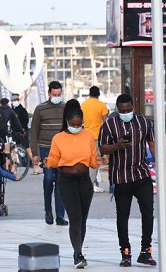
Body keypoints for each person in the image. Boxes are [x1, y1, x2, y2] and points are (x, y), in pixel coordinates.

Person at [99, 94, 157, 267]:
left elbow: (152, 143)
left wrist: (160, 164)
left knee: (148, 212)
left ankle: (145, 251)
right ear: (117, 109)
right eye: (122, 110)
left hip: (142, 175)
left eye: (128, 110)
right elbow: (102, 148)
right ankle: (125, 252)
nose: (126, 112)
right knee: (122, 216)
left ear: (133, 107)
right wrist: (116, 146)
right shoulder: (109, 124)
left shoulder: (144, 123)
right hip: (121, 177)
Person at [45, 99, 98, 269]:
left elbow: (92, 160)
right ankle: (78, 254)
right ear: (67, 122)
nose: (76, 126)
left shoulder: (88, 135)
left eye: (79, 124)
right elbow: (53, 159)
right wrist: (46, 162)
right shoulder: (58, 138)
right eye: (73, 124)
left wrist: (101, 161)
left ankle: (79, 250)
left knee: (82, 219)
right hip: (66, 181)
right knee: (75, 218)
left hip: (84, 181)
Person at [30, 80, 68, 226]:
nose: (56, 96)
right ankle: (48, 211)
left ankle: (60, 216)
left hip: (63, 152)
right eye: (54, 94)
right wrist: (34, 152)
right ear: (49, 93)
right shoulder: (40, 109)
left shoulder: (66, 108)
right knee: (48, 179)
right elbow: (34, 132)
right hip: (46, 150)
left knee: (61, 183)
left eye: (59, 94)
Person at [80, 85, 109, 193]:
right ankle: (90, 184)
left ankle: (89, 182)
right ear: (99, 94)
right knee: (95, 160)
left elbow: (81, 121)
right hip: (97, 136)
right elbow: (106, 122)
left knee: (87, 160)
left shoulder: (83, 105)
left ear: (89, 94)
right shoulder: (101, 105)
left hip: (85, 136)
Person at [10, 94, 37, 174]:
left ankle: (36, 166)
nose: (15, 101)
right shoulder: (11, 110)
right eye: (14, 100)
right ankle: (14, 168)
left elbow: (25, 121)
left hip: (23, 132)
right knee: (14, 150)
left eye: (16, 100)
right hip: (14, 132)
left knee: (27, 148)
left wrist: (23, 130)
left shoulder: (22, 110)